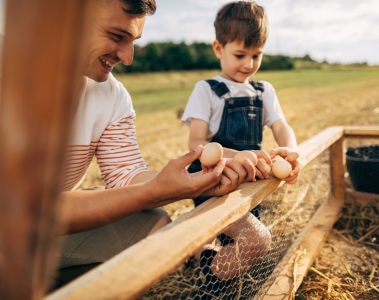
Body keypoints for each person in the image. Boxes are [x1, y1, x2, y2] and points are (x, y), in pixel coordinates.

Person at [51, 0, 252, 290]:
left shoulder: (112, 95)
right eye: (118, 37)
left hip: (39, 232)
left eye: (133, 41)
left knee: (152, 226)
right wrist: (155, 191)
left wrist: (192, 182)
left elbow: (126, 175)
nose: (128, 57)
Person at [181, 1, 301, 297]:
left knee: (230, 239)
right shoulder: (207, 89)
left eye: (256, 55)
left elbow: (281, 125)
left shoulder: (264, 91)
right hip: (216, 179)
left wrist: (291, 149)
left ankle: (204, 255)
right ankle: (212, 284)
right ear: (218, 49)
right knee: (251, 239)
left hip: (250, 180)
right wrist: (237, 155)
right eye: (240, 55)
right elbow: (196, 143)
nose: (248, 64)